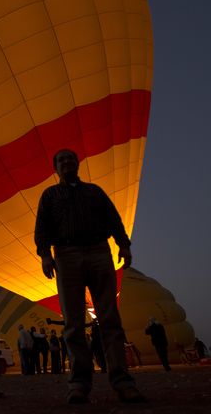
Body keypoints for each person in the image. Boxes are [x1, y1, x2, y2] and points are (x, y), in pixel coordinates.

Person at [35, 149, 145, 404]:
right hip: (65, 253)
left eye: (70, 158)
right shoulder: (49, 195)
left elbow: (113, 218)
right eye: (61, 159)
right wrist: (45, 255)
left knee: (109, 317)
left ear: (77, 163)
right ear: (55, 167)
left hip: (98, 250)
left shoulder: (94, 191)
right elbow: (42, 226)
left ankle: (123, 381)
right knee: (73, 322)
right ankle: (79, 384)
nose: (66, 162)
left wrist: (124, 244)